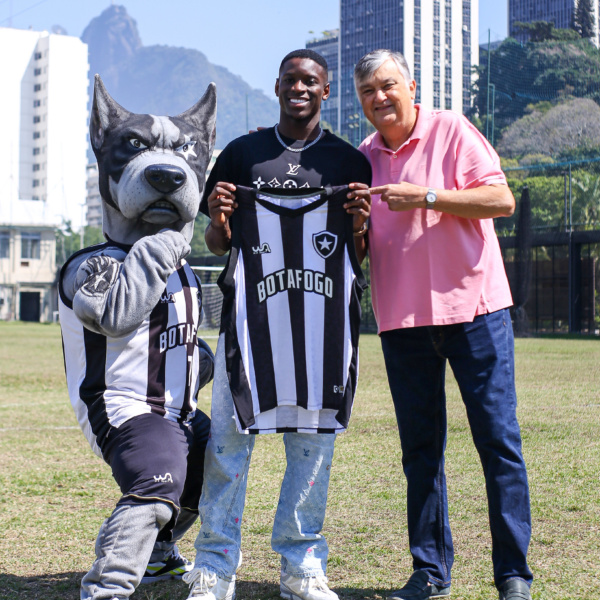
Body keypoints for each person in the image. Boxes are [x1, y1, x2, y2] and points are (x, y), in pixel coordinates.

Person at [182, 49, 371, 600]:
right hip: (249, 328)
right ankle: (215, 565)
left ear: (325, 90)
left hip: (321, 335)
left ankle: (302, 563)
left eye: (310, 81)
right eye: (291, 80)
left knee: (312, 451)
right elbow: (219, 242)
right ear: (278, 86)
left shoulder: (348, 163)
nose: (300, 88)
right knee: (226, 448)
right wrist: (219, 219)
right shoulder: (242, 154)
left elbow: (356, 255)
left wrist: (359, 221)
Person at [353, 49, 533, 600]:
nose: (380, 97)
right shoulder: (361, 159)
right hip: (402, 322)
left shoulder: (451, 129)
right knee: (420, 452)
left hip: (475, 311)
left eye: (388, 85)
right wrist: (357, 228)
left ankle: (513, 575)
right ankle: (429, 571)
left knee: (498, 443)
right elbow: (357, 250)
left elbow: (500, 199)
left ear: (410, 86)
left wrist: (427, 196)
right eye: (368, 91)